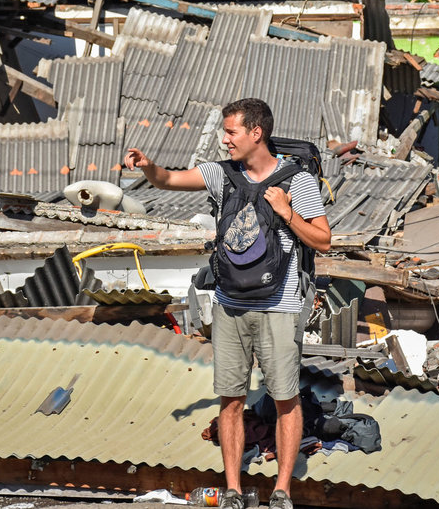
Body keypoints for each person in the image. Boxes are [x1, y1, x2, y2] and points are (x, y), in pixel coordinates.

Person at [124, 98, 331, 509]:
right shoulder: (223, 175)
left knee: (285, 398)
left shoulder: (298, 182)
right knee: (231, 399)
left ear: (257, 133)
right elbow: (168, 180)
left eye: (231, 132)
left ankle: (282, 491)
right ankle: (233, 490)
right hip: (230, 303)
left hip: (279, 304)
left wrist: (286, 213)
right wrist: (147, 166)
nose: (225, 139)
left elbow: (323, 240)